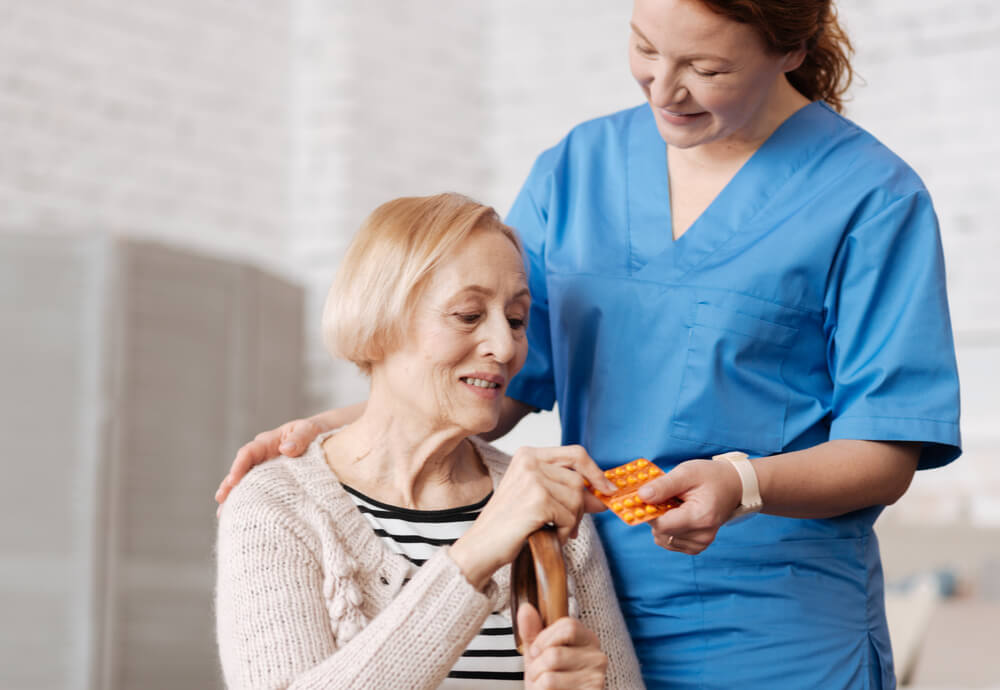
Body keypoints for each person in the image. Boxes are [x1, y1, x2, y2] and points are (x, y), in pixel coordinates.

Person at [217, 1, 962, 687]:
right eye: (644, 49)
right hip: (581, 592)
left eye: (707, 69)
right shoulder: (578, 170)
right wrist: (330, 432)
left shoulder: (870, 197)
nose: (663, 88)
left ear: (791, 50)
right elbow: (491, 372)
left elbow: (888, 446)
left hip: (777, 630)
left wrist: (741, 484)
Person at [215, 193, 644, 689]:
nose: (505, 347)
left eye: (517, 319)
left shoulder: (547, 507)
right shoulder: (275, 508)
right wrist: (474, 552)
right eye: (467, 315)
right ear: (379, 318)